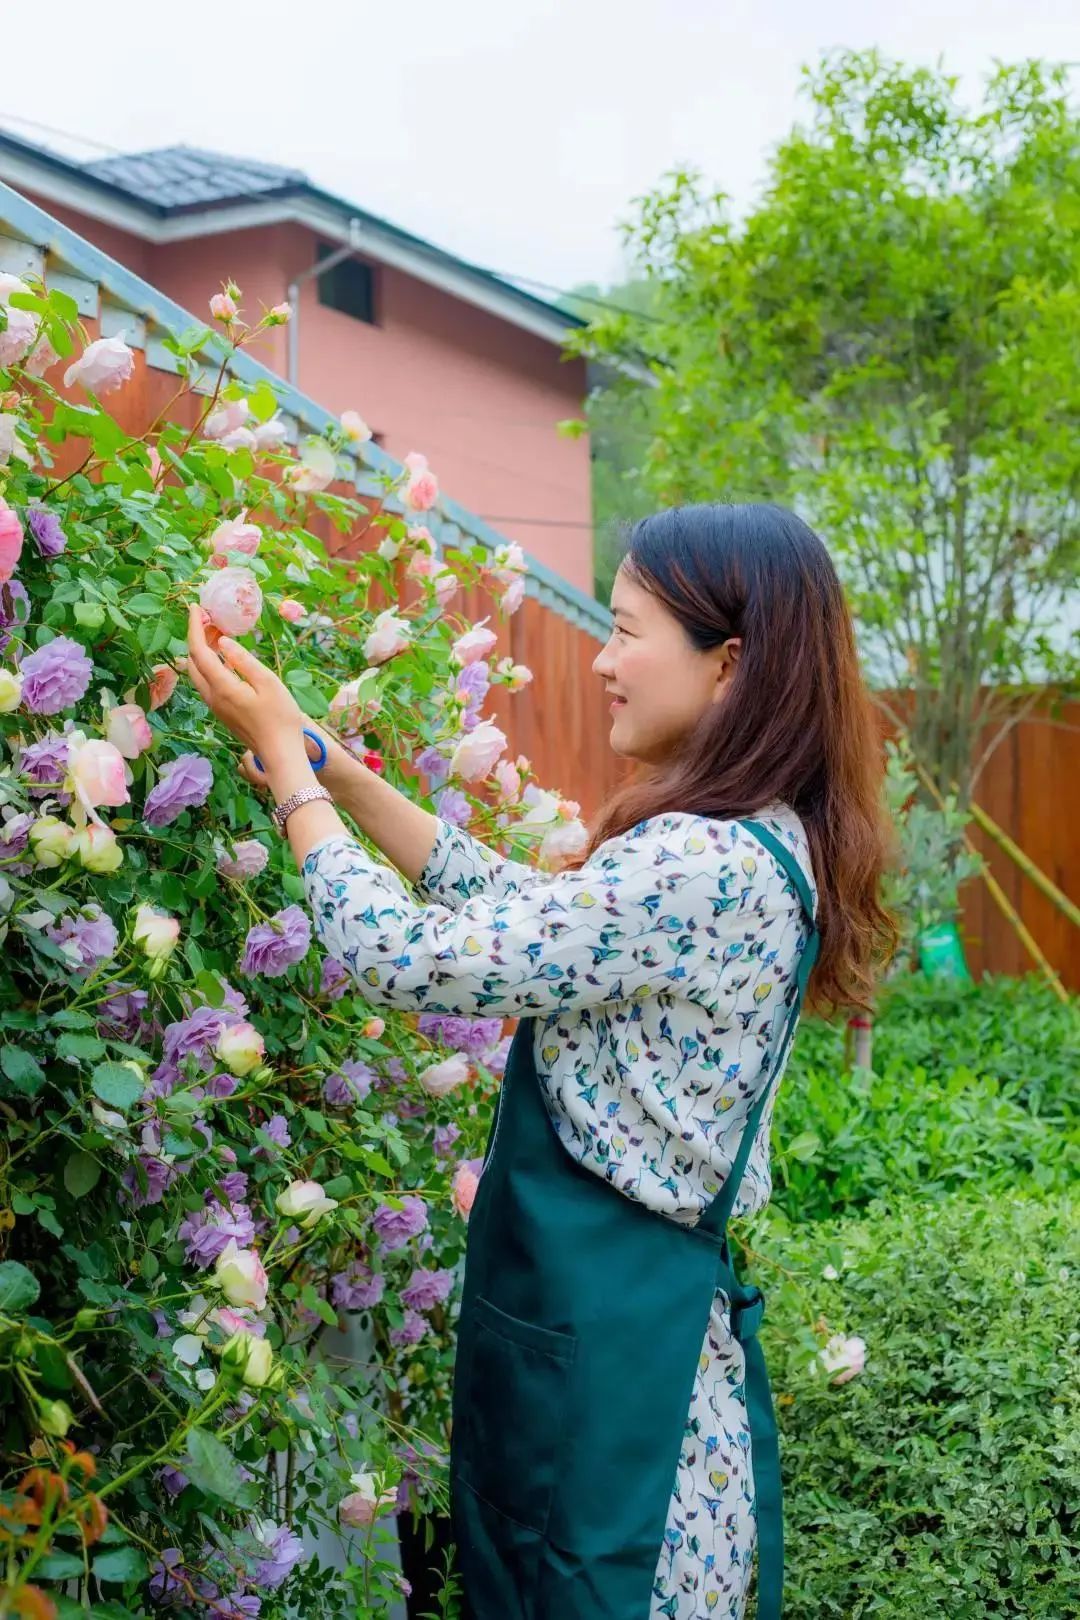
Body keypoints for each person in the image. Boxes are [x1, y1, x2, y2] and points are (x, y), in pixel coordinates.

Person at [186, 501, 895, 1620]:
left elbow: (408, 961)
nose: (602, 662)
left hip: (633, 1391)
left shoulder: (703, 861)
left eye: (624, 632)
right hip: (634, 1348)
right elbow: (535, 912)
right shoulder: (755, 837)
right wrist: (340, 772)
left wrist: (289, 778)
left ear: (730, 663)